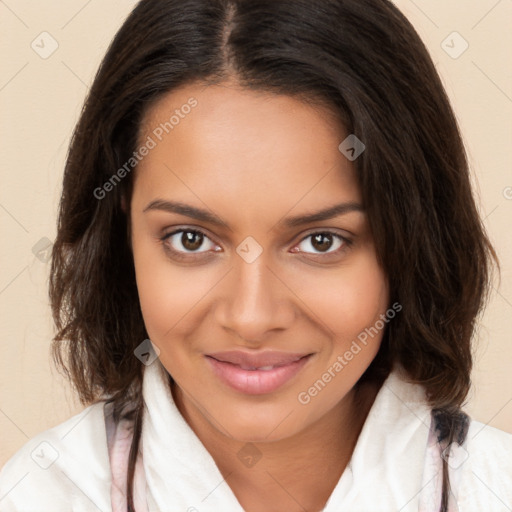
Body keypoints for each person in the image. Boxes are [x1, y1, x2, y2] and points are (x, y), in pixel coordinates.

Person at [1, 0, 511, 511]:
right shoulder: (40, 494)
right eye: (191, 239)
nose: (251, 318)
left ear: (414, 243)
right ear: (120, 239)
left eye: (320, 241)